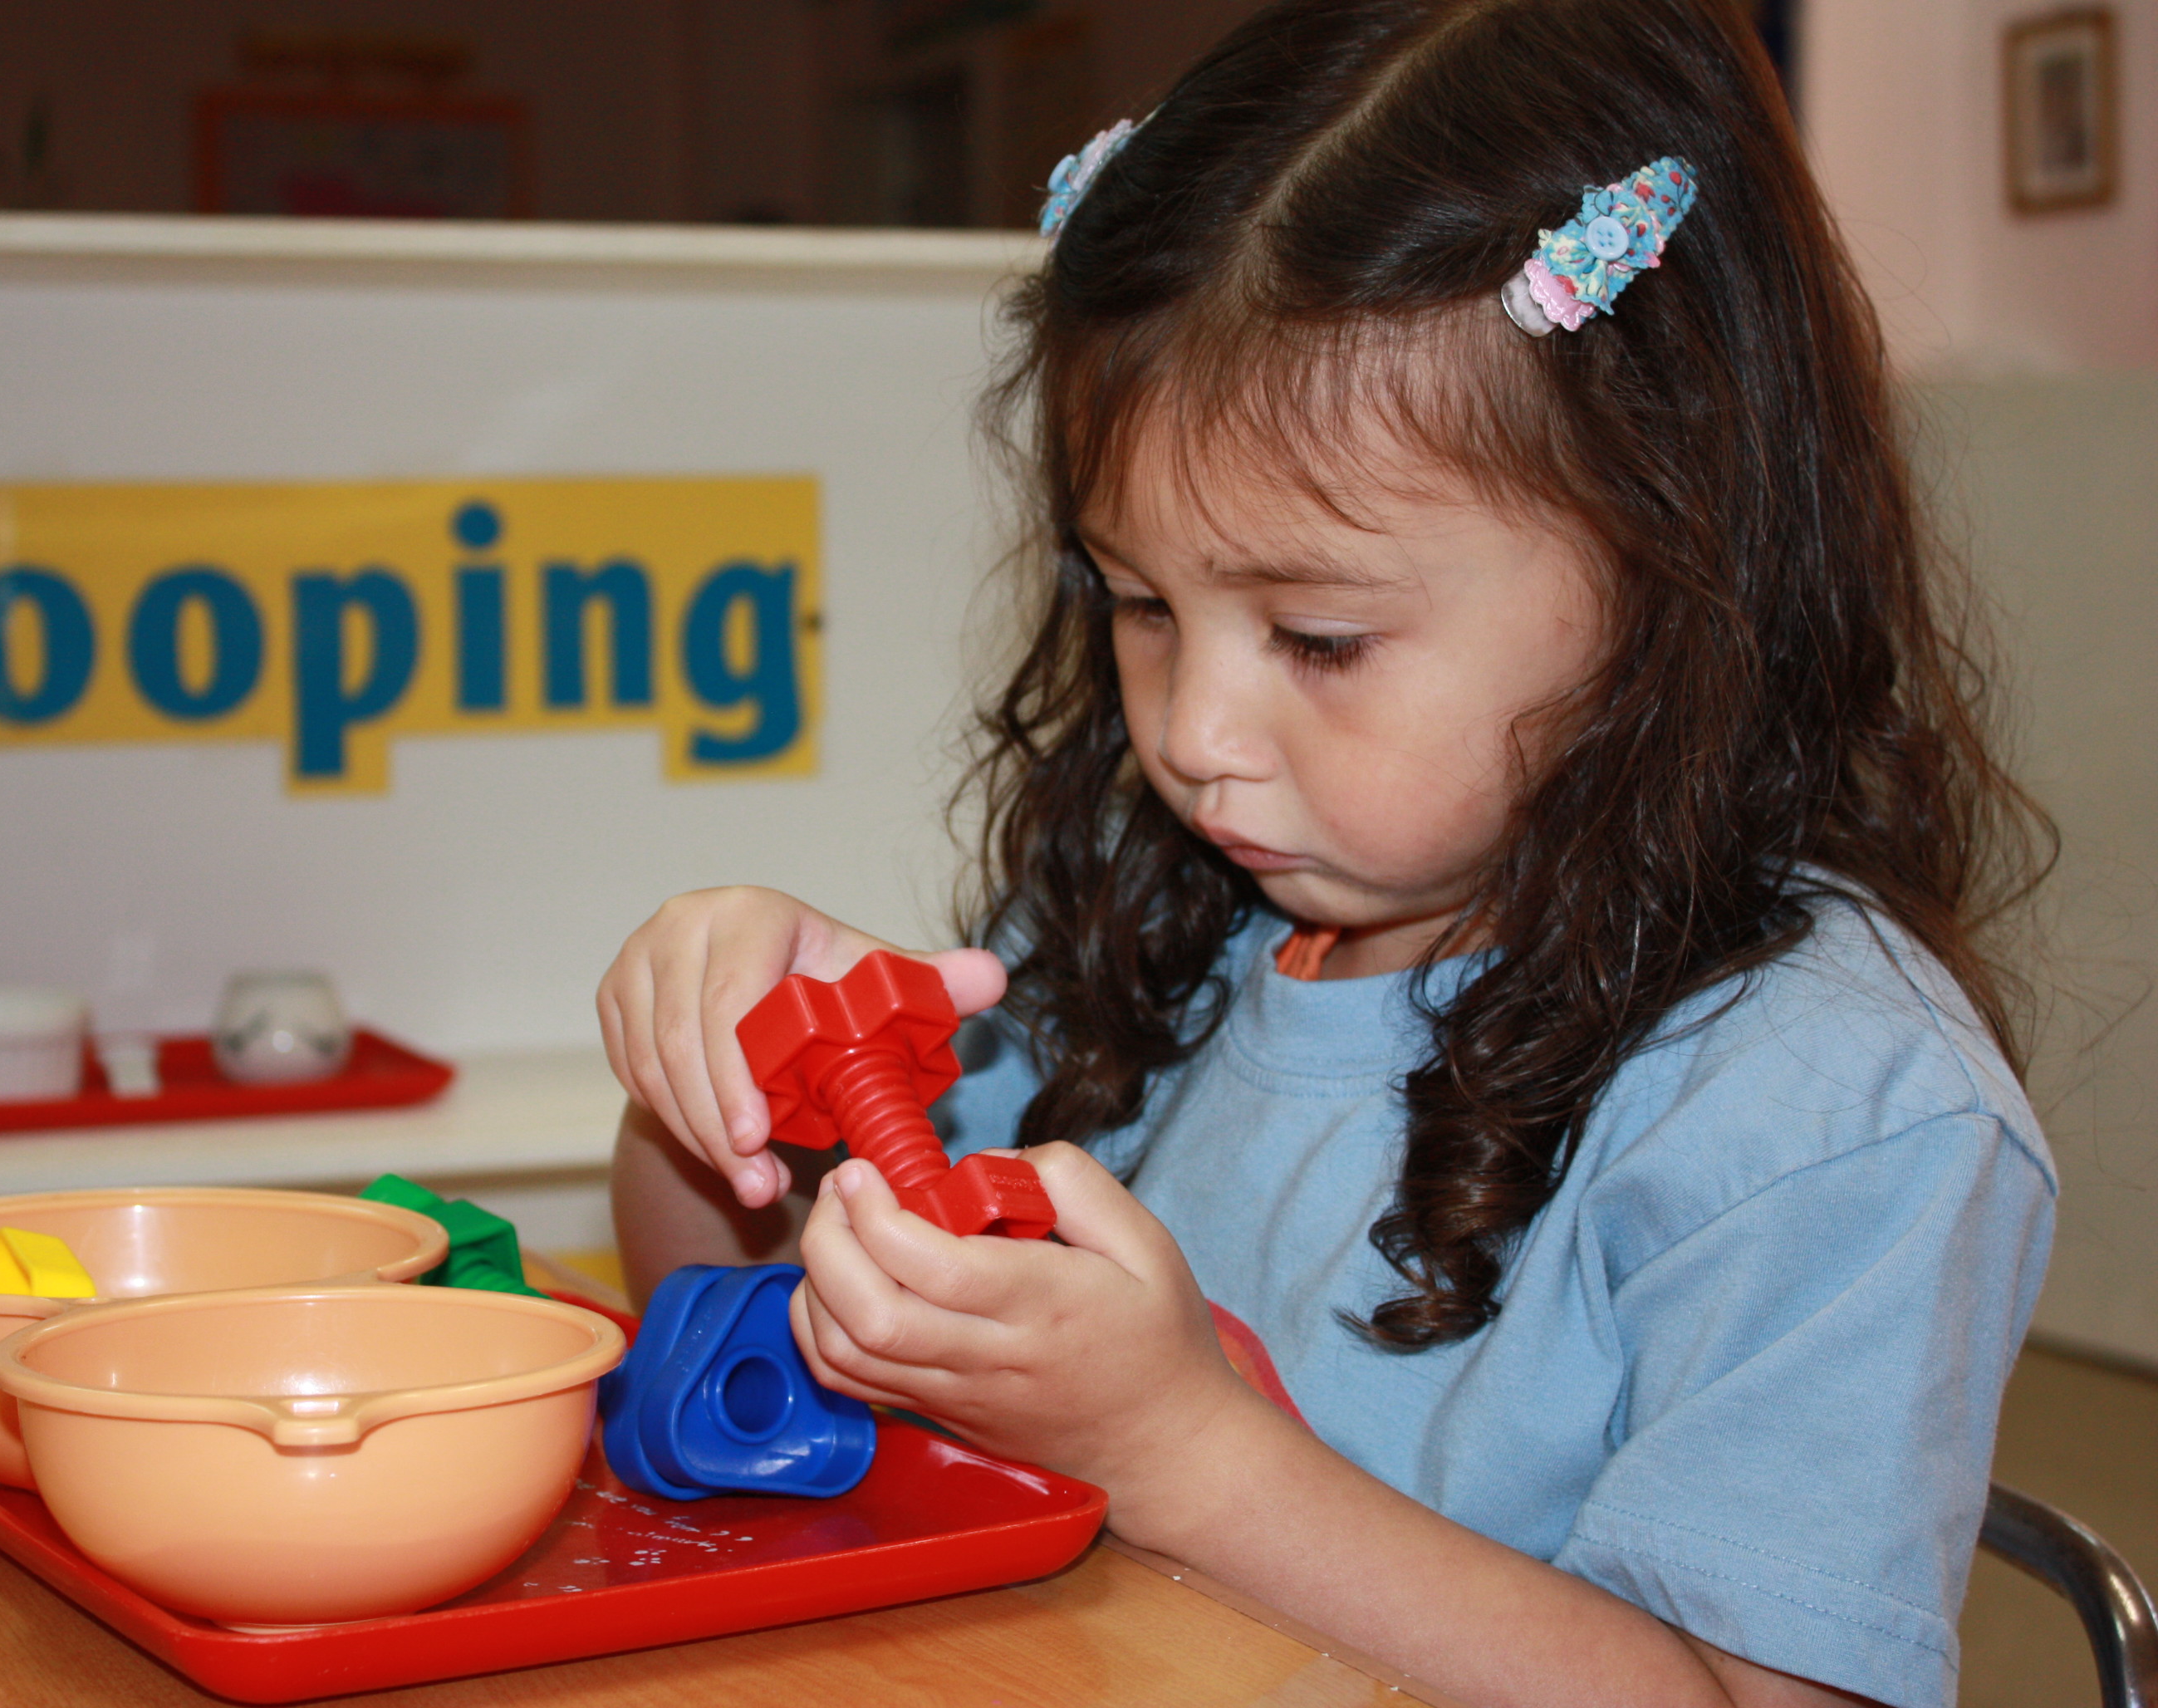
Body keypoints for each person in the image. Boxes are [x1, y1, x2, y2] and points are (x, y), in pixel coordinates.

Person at [598, 2, 2056, 1702]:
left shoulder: (1831, 1112)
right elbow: (740, 1350)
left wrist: (1178, 1450)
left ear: (1671, 570)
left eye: (1317, 635)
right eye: (1138, 602)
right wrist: (719, 1098)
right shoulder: (1163, 922)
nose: (1193, 730)